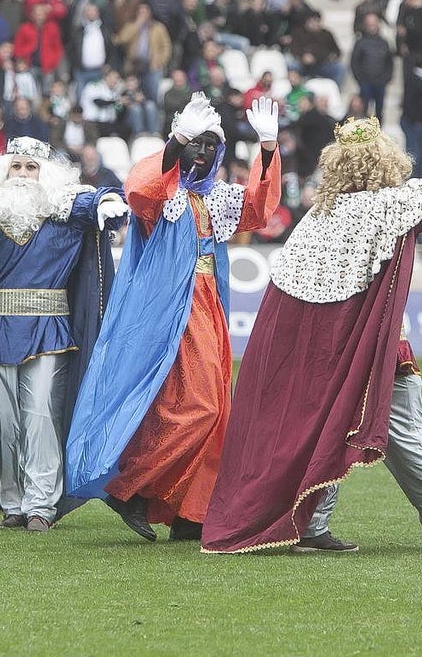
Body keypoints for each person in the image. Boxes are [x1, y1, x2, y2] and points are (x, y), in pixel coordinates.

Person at [201, 97, 422, 554]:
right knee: (401, 426)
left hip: (317, 347)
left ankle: (313, 526)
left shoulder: (319, 216)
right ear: (385, 162)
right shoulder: (384, 206)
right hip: (367, 346)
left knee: (329, 423)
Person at [66, 95, 282, 542]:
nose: (200, 153)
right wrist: (176, 140)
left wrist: (266, 146)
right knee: (199, 407)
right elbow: (140, 189)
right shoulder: (164, 198)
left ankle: (190, 511)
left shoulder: (215, 199)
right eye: (193, 145)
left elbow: (258, 209)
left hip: (209, 307)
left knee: (213, 408)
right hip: (168, 310)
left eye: (208, 145)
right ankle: (131, 490)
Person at [0, 124, 129, 532]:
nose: (23, 175)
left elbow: (97, 203)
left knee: (41, 415)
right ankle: (13, 501)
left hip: (49, 330)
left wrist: (111, 201)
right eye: (16, 167)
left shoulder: (64, 208)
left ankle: (41, 503)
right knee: (4, 420)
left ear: (46, 173)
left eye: (31, 167)